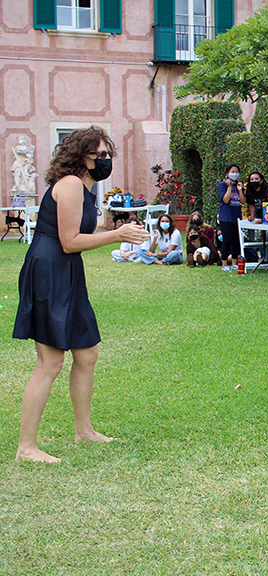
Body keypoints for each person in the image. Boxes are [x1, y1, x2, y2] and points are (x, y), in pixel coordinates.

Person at [12, 125, 150, 462]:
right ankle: (26, 448)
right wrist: (118, 235)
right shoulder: (71, 184)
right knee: (51, 361)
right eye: (100, 154)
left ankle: (84, 431)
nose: (105, 160)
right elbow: (70, 241)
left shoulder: (87, 188)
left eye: (108, 154)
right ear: (82, 157)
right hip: (49, 271)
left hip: (67, 270)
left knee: (86, 354)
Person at [218, 164, 246, 271]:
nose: (235, 174)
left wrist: (239, 190)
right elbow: (225, 200)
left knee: (236, 240)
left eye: (236, 172)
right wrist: (229, 186)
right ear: (227, 173)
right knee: (227, 240)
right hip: (226, 217)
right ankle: (224, 263)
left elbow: (243, 201)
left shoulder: (239, 185)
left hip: (236, 217)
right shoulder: (223, 185)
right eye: (232, 171)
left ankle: (235, 262)